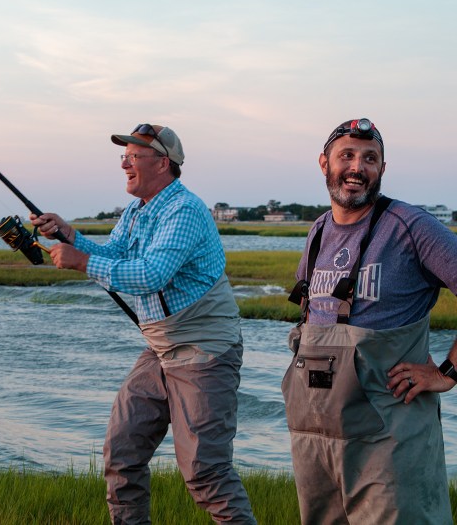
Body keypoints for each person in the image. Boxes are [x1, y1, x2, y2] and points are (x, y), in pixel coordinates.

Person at [31, 124, 256, 524]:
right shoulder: (138, 210)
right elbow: (115, 253)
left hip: (204, 352)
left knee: (206, 473)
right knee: (122, 455)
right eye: (124, 155)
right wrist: (69, 234)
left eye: (134, 155)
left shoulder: (184, 210)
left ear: (162, 163)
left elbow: (151, 274)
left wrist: (81, 262)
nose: (124, 163)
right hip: (161, 348)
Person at [282, 118, 457, 524]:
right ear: (324, 163)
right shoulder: (317, 232)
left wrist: (447, 371)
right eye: (347, 155)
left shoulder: (411, 227)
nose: (357, 167)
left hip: (389, 439)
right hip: (316, 437)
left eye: (370, 159)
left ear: (382, 169)